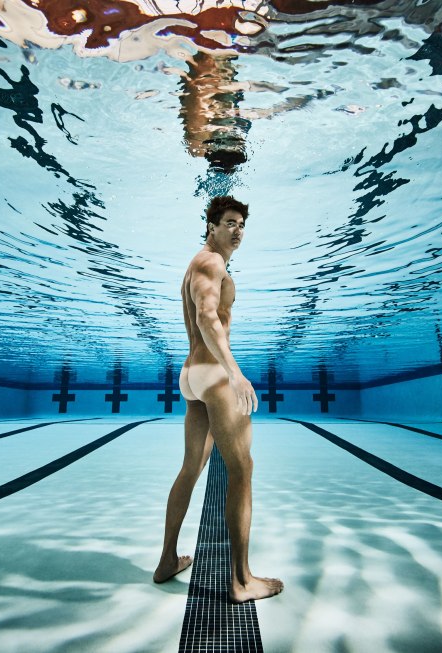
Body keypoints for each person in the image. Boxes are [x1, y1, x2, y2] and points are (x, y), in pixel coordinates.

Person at [153, 196, 283, 603]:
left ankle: (167, 561)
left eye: (241, 223)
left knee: (191, 468)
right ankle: (242, 581)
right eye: (229, 222)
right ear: (211, 226)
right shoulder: (211, 263)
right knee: (242, 470)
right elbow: (209, 318)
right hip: (212, 374)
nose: (237, 229)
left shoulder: (200, 263)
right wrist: (234, 372)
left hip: (192, 375)